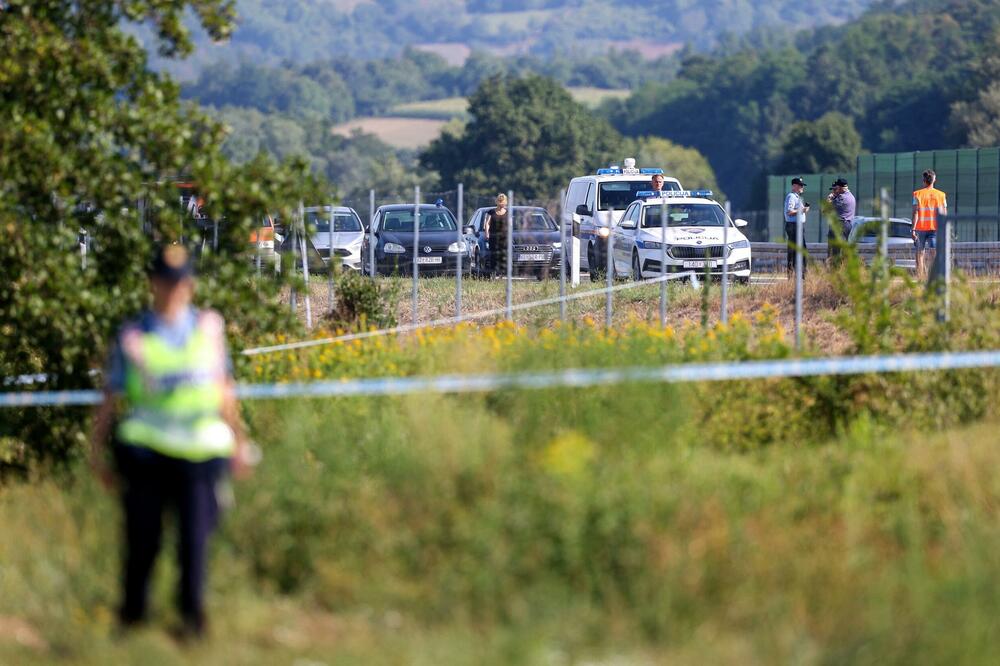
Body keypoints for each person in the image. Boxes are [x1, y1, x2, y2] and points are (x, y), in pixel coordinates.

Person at [89, 244, 250, 639]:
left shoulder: (210, 328)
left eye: (179, 282)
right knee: (142, 541)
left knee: (194, 543)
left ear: (190, 285)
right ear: (153, 284)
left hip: (200, 452)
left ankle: (192, 624)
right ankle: (132, 619)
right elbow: (110, 396)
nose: (173, 289)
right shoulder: (133, 336)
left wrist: (240, 441)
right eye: (165, 282)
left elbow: (225, 390)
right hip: (146, 451)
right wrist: (96, 451)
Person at [912, 169, 948, 277]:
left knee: (920, 252)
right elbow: (944, 213)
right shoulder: (941, 195)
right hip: (935, 228)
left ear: (923, 181)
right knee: (933, 252)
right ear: (934, 180)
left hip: (920, 228)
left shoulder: (917, 194)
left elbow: (915, 213)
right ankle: (933, 275)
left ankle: (920, 275)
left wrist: (913, 229)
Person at [826, 177, 856, 263]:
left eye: (837, 188)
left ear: (841, 188)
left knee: (835, 251)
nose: (836, 190)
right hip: (847, 224)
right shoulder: (851, 196)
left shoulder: (841, 198)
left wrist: (829, 198)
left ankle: (835, 271)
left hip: (840, 225)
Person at [784, 177, 810, 274]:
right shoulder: (791, 196)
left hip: (797, 225)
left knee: (798, 250)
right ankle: (797, 274)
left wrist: (804, 210)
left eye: (802, 185)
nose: (802, 187)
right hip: (794, 226)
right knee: (796, 251)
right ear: (794, 186)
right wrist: (802, 210)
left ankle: (798, 273)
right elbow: (790, 212)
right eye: (800, 185)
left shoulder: (797, 197)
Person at [483, 193, 509, 276]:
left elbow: (510, 225)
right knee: (493, 255)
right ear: (497, 202)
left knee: (502, 255)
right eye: (500, 201)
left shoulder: (508, 213)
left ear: (505, 202)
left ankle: (501, 273)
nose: (501, 203)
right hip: (493, 237)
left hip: (504, 238)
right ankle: (493, 273)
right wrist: (487, 233)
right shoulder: (491, 212)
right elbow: (487, 223)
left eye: (503, 202)